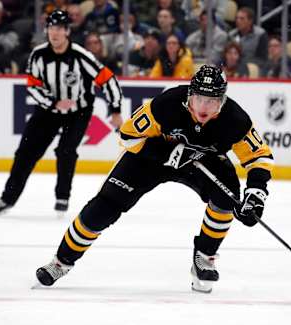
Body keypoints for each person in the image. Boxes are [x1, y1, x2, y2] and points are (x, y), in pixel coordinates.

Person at [35, 65, 274, 293]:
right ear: (189, 95)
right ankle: (61, 262)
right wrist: (164, 152)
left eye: (211, 101)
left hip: (202, 161)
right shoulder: (167, 104)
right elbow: (128, 135)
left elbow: (259, 156)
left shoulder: (234, 119)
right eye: (199, 98)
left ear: (221, 101)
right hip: (149, 160)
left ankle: (204, 257)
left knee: (227, 198)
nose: (203, 107)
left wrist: (255, 195)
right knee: (105, 206)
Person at [0, 10, 123, 215]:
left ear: (67, 31)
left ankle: (62, 197)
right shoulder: (38, 55)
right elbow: (32, 86)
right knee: (25, 153)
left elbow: (108, 79)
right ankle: (8, 198)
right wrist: (54, 102)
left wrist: (115, 110)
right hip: (47, 111)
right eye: (51, 27)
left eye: (59, 28)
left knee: (66, 151)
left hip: (78, 113)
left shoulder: (80, 56)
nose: (55, 33)